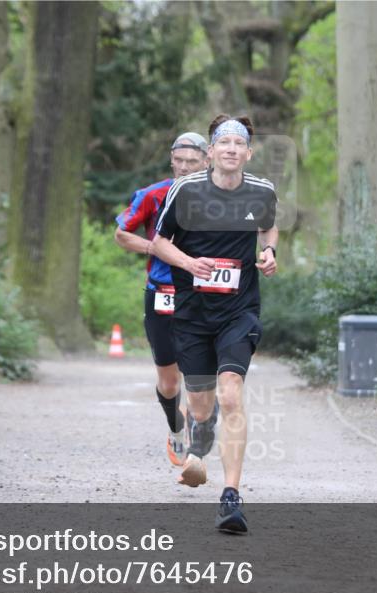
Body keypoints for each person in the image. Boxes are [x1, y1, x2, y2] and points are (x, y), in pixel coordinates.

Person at [149, 115, 278, 534]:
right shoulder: (185, 191)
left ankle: (231, 497)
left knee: (232, 394)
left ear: (248, 153)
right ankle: (199, 440)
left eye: (239, 144)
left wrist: (269, 250)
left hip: (239, 312)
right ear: (211, 152)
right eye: (224, 142)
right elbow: (159, 242)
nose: (231, 149)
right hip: (192, 315)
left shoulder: (261, 191)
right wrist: (189, 263)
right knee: (202, 408)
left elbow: (268, 224)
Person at [114, 132, 209, 466]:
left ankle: (201, 435)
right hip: (162, 294)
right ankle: (175, 426)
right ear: (171, 160)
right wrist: (153, 247)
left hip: (204, 295)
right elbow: (122, 234)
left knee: (201, 373)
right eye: (178, 161)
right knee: (169, 383)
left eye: (192, 162)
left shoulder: (224, 199)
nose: (184, 168)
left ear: (206, 161)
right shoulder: (153, 195)